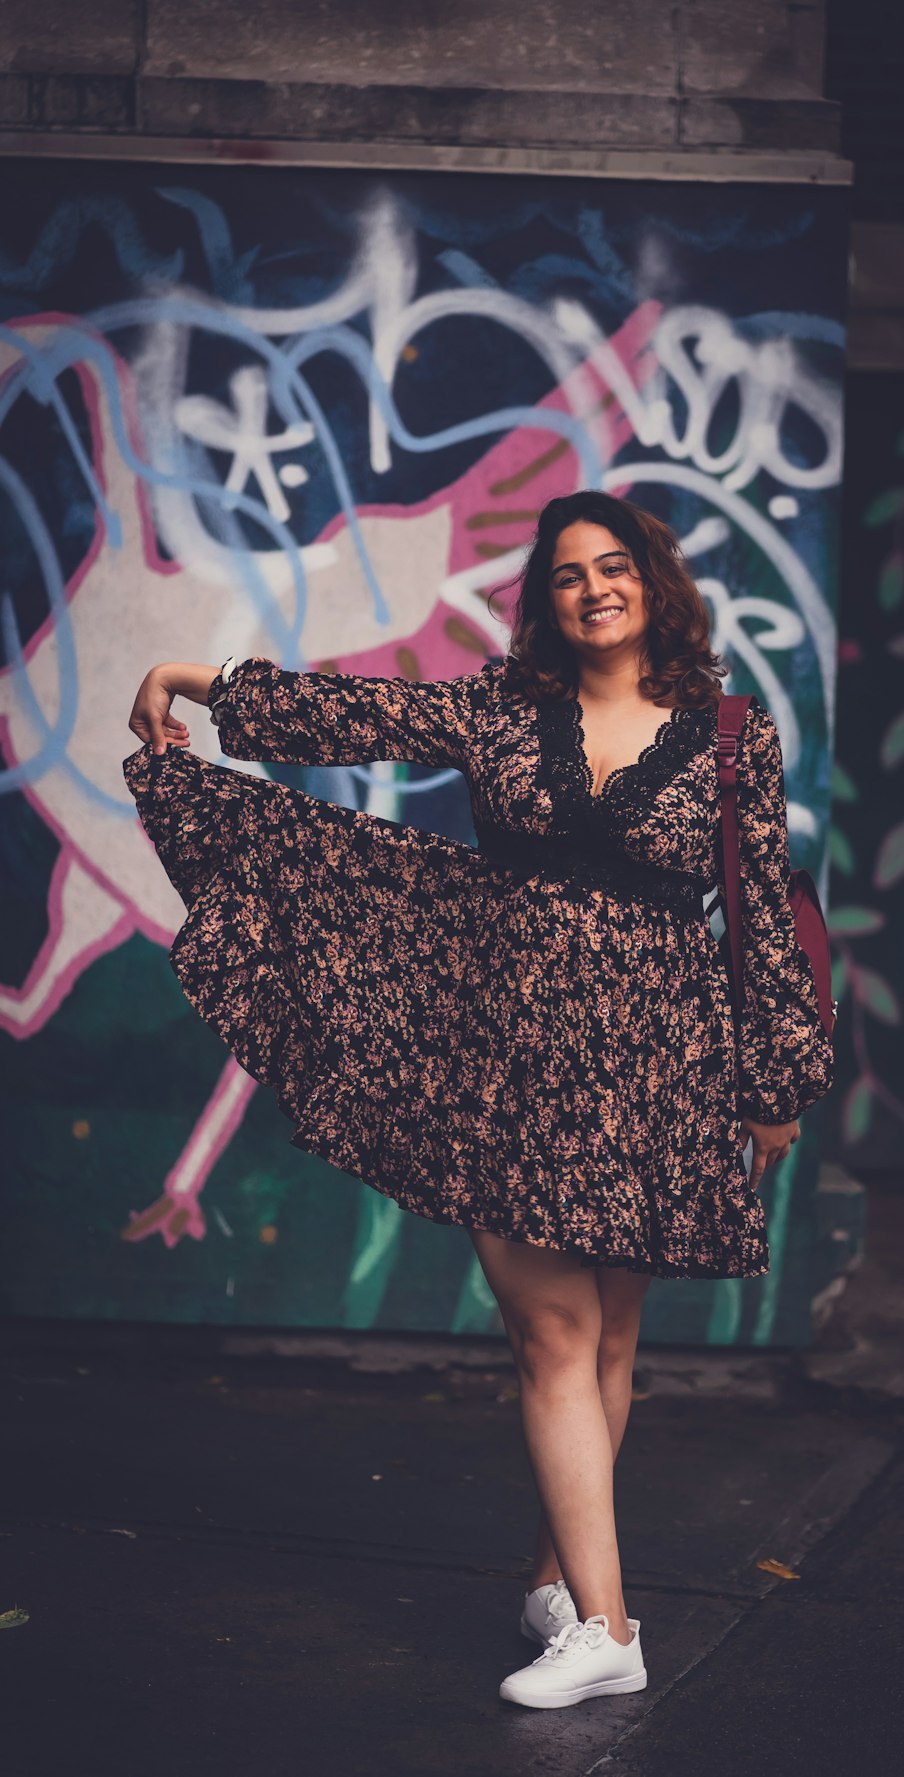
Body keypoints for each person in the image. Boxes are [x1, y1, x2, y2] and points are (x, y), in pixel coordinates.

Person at [125, 488, 834, 1711]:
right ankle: (606, 1623)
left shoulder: (729, 734)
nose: (593, 587)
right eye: (567, 574)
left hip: (655, 1068)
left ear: (654, 585)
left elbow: (761, 912)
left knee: (606, 1334)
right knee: (553, 1333)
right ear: (546, 601)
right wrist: (204, 679)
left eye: (615, 566)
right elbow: (358, 712)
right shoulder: (505, 708)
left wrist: (774, 1082)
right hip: (505, 1060)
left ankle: (569, 1586)